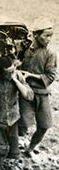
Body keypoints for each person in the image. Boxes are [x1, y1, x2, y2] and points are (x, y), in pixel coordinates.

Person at [18, 18, 57, 156]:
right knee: (23, 126)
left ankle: (30, 148)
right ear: (35, 35)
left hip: (42, 94)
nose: (49, 39)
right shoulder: (25, 48)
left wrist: (31, 75)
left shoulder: (50, 54)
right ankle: (10, 146)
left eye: (50, 36)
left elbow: (51, 76)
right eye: (46, 35)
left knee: (44, 126)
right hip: (25, 92)